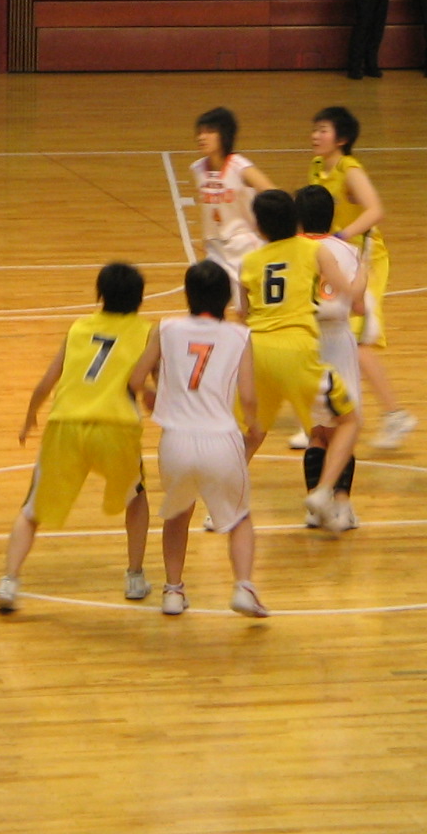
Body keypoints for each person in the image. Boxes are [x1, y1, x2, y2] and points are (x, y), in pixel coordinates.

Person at [0, 263, 153, 614]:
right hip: (116, 427)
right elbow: (153, 384)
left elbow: (47, 381)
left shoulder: (79, 327)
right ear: (140, 298)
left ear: (99, 295)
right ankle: (134, 576)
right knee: (137, 498)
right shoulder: (147, 332)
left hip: (65, 423)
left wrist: (30, 416)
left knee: (31, 510)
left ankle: (9, 581)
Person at [129, 261, 269, 618]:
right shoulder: (240, 335)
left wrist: (151, 396)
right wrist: (254, 426)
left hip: (175, 441)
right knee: (239, 517)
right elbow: (248, 395)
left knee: (177, 514)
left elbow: (135, 379)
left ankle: (173, 591)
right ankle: (243, 587)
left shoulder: (166, 328)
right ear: (226, 297)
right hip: (220, 439)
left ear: (188, 294)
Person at [239, 190, 359, 532]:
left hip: (258, 351)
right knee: (348, 422)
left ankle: (222, 502)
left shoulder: (249, 261)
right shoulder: (314, 250)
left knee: (253, 432)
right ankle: (324, 493)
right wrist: (363, 275)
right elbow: (348, 292)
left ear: (259, 226)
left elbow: (243, 314)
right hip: (299, 348)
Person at [308, 106, 417, 449]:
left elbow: (376, 210)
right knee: (330, 334)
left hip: (364, 260)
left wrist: (341, 235)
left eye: (323, 130)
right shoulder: (317, 166)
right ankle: (334, 411)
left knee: (355, 341)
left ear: (341, 138)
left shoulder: (350, 169)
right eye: (315, 129)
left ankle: (395, 415)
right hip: (336, 257)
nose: (315, 135)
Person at [295, 185, 371, 529]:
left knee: (316, 429)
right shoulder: (346, 250)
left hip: (302, 339)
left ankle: (315, 505)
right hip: (337, 340)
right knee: (345, 426)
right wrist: (364, 271)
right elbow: (358, 306)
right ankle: (340, 505)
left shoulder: (289, 249)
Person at [189, 107, 276, 290]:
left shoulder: (240, 167)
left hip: (244, 245)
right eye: (200, 132)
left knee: (248, 303)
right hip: (215, 246)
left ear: (225, 134)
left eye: (209, 131)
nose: (202, 137)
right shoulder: (197, 169)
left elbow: (276, 196)